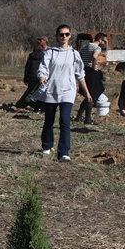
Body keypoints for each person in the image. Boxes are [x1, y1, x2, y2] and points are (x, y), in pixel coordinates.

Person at [36, 24, 89, 162]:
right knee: (49, 119)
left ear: (70, 36)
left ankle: (64, 152)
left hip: (68, 91)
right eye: (61, 34)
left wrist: (87, 93)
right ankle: (47, 146)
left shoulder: (74, 54)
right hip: (51, 91)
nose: (64, 37)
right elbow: (43, 68)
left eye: (66, 34)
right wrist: (42, 78)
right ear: (57, 36)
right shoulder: (50, 52)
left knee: (65, 121)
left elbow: (80, 74)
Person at [76, 32, 106, 124]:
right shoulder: (97, 48)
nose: (104, 43)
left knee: (87, 94)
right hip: (91, 73)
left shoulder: (84, 48)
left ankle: (79, 116)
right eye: (104, 41)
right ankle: (88, 119)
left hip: (84, 71)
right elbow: (94, 56)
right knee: (92, 95)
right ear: (100, 40)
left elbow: (79, 58)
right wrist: (94, 67)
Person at [15, 36, 48, 109]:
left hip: (31, 77)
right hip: (40, 77)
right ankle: (40, 106)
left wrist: (26, 78)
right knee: (40, 92)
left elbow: (27, 68)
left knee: (30, 93)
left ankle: (33, 105)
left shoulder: (31, 56)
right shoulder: (44, 56)